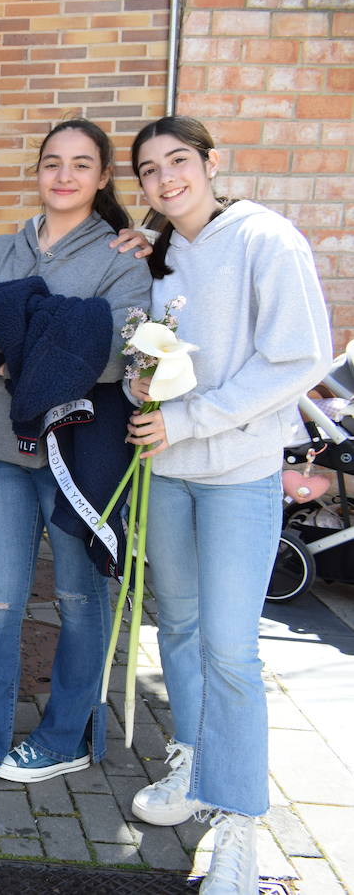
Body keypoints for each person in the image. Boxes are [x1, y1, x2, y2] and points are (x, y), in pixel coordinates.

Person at [124, 116, 330, 894]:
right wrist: (143, 386)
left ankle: (240, 825)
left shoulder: (265, 239)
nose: (166, 178)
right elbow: (161, 358)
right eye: (150, 170)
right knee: (175, 626)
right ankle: (195, 762)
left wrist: (191, 420)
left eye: (178, 160)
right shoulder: (163, 257)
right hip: (168, 472)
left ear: (212, 162)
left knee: (231, 649)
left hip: (238, 475)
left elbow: (298, 357)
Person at [0, 118, 152, 801]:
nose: (64, 175)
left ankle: (64, 739)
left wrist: (13, 335)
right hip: (5, 453)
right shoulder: (0, 252)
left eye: (81, 164)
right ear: (37, 171)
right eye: (52, 162)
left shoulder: (121, 260)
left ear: (103, 176)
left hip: (80, 459)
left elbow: (118, 352)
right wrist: (46, 343)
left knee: (81, 600)